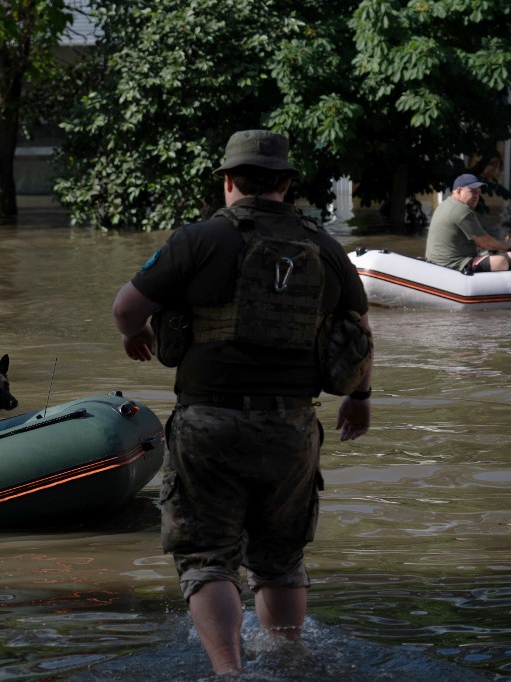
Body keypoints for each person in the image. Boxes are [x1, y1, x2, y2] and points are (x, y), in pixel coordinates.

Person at [112, 129, 373, 675]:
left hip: (210, 421)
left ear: (229, 181)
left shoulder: (200, 239)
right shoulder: (324, 246)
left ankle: (230, 672)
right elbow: (358, 331)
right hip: (293, 426)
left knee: (207, 556)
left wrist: (134, 334)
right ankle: (288, 661)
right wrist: (359, 399)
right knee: (280, 559)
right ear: (285, 183)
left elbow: (125, 308)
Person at [425, 173, 511, 272]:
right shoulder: (461, 210)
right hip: (455, 264)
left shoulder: (444, 205)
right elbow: (485, 243)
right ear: (459, 191)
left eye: (478, 193)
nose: (476, 196)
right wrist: (506, 245)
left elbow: (481, 242)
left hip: (437, 262)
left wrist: (497, 246)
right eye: (472, 191)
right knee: (501, 261)